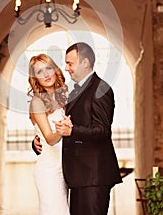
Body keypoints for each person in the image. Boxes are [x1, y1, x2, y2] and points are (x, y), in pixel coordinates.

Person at [33, 42, 122, 215]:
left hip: (93, 176)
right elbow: (55, 128)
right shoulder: (73, 93)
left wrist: (72, 131)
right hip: (76, 176)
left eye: (70, 63)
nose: (66, 68)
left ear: (85, 63)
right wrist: (37, 141)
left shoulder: (100, 89)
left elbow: (102, 130)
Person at [28, 53, 71, 215]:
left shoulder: (64, 99)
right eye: (39, 72)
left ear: (55, 70)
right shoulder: (37, 102)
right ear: (35, 78)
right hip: (49, 171)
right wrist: (62, 129)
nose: (45, 74)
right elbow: (49, 138)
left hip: (64, 170)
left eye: (48, 68)